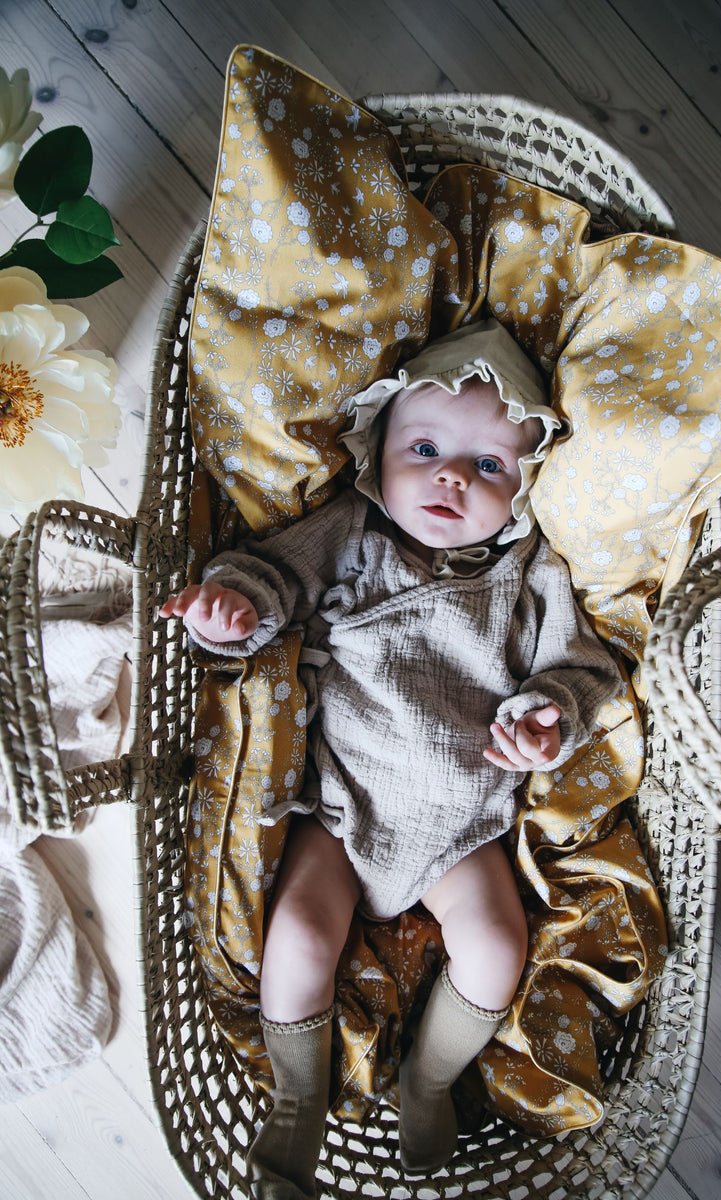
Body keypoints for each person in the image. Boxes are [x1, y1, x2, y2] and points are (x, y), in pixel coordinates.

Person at [161, 319, 622, 1200]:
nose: (452, 475)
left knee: (495, 946)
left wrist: (546, 715)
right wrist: (230, 605)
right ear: (377, 455)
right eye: (426, 448)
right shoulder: (350, 529)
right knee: (296, 938)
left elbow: (582, 668)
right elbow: (274, 579)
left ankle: (431, 1078)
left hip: (461, 827)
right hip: (340, 808)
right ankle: (297, 1099)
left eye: (489, 466)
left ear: (524, 491)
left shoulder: (529, 572)